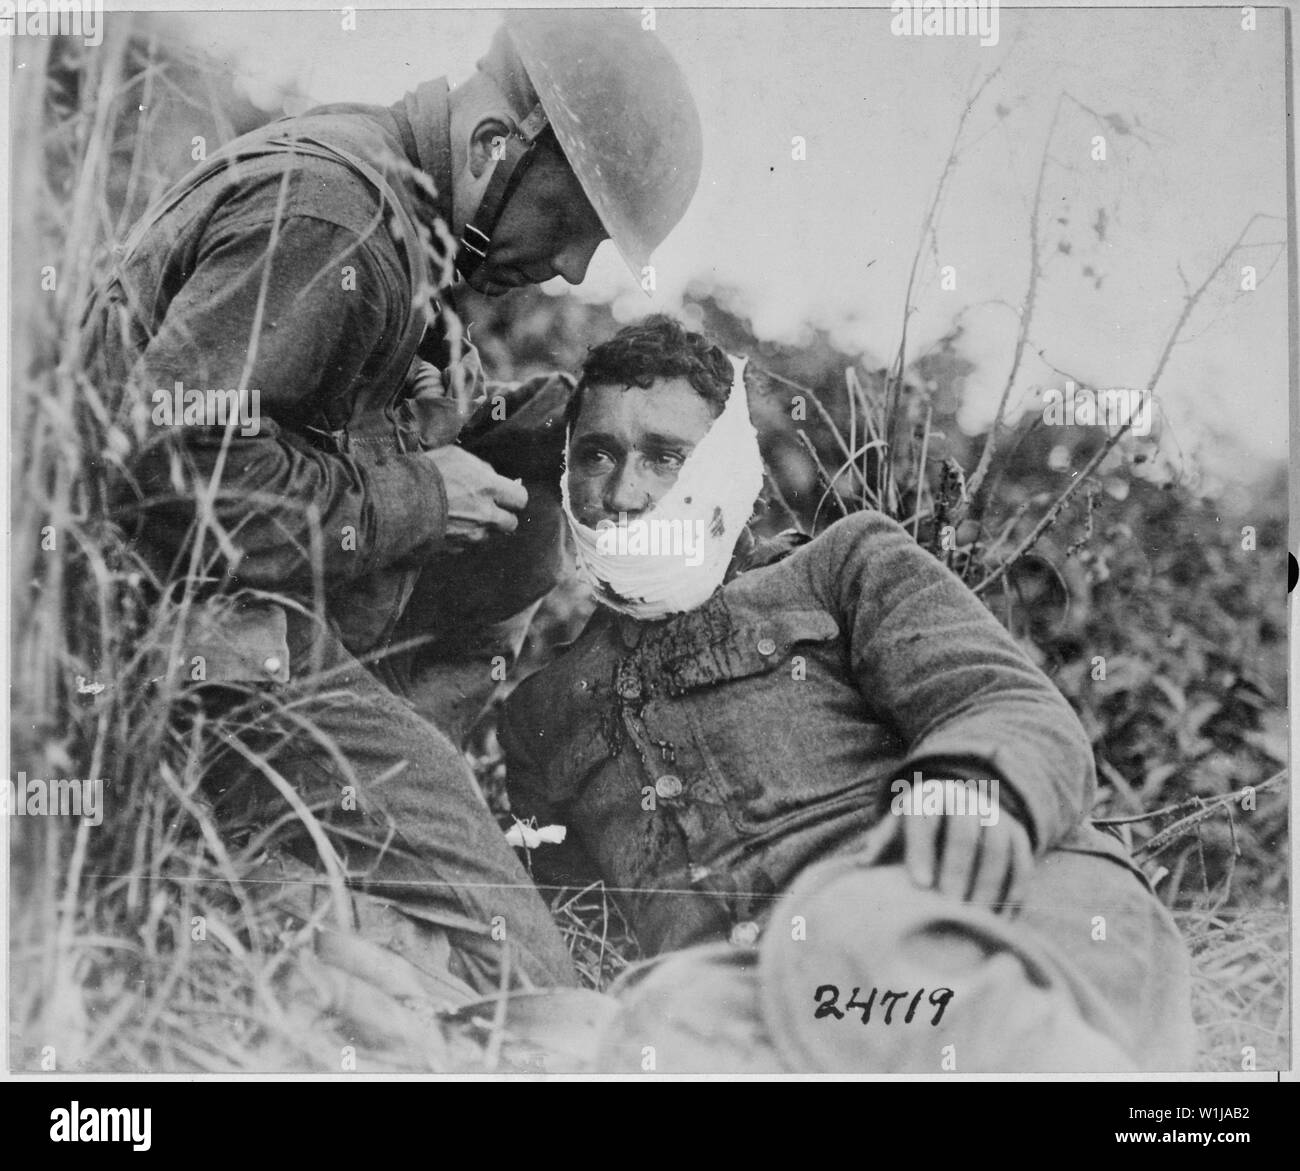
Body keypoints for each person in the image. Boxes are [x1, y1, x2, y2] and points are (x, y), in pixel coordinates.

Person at [79, 12, 702, 993]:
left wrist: (467, 426)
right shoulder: (337, 213)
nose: (574, 268)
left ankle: (348, 811)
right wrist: (417, 496)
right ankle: (287, 863)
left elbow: (281, 418)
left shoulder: (388, 199)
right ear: (500, 145)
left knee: (531, 528)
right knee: (523, 968)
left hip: (220, 606)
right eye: (571, 225)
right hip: (165, 636)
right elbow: (163, 469)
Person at [501, 316, 1197, 1070]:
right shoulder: (541, 713)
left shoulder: (841, 565)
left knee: (846, 927)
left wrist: (969, 798)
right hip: (768, 993)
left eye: (666, 456)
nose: (624, 491)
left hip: (984, 907)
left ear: (725, 471)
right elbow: (576, 918)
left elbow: (1006, 702)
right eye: (596, 454)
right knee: (660, 1024)